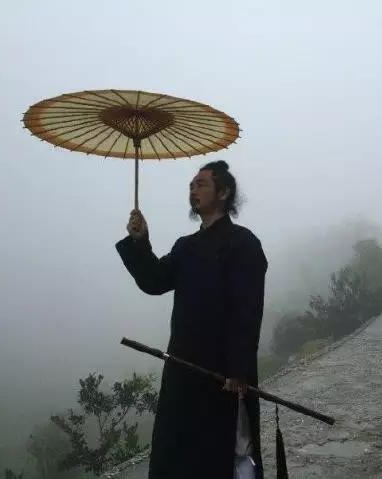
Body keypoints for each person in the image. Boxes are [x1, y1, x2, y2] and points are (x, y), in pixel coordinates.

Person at [115, 161, 267, 479]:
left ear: (223, 193)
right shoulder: (186, 247)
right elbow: (154, 280)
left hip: (223, 374)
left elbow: (247, 310)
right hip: (183, 368)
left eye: (201, 184)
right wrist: (140, 241)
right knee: (178, 452)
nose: (193, 190)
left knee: (228, 452)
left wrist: (238, 370)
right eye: (190, 185)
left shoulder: (243, 244)